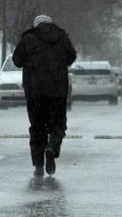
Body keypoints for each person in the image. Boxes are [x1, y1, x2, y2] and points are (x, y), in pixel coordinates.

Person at [12, 15, 76, 176]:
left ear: (35, 25)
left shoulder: (28, 38)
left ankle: (38, 165)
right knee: (58, 125)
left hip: (35, 92)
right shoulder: (62, 37)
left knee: (37, 127)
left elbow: (17, 61)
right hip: (57, 91)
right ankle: (51, 148)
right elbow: (72, 56)